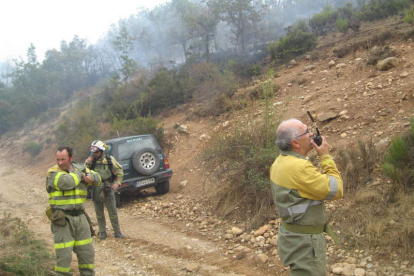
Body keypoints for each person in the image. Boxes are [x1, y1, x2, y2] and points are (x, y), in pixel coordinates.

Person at [270, 118, 343, 276]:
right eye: (306, 132)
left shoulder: (279, 162)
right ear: (295, 143)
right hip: (305, 243)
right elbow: (336, 190)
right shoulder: (299, 167)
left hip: (291, 237)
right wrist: (325, 157)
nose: (311, 134)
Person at [46, 146, 101, 276]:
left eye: (63, 160)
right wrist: (81, 174)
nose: (60, 163)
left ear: (71, 158)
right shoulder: (52, 172)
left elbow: (98, 179)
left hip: (81, 219)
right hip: (62, 220)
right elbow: (68, 183)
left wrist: (90, 177)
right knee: (64, 259)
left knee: (87, 255)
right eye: (58, 160)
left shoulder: (80, 169)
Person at [85, 140, 125, 239]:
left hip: (107, 187)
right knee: (99, 212)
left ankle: (117, 232)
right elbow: (83, 171)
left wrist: (118, 183)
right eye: (93, 152)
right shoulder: (91, 161)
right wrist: (87, 163)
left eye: (96, 152)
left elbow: (119, 170)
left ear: (102, 151)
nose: (94, 154)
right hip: (95, 188)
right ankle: (102, 232)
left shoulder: (109, 159)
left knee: (112, 211)